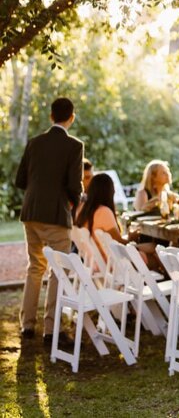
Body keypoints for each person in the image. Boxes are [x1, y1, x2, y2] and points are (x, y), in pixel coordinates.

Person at [15, 97, 84, 343]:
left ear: (51, 116)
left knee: (35, 268)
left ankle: (27, 325)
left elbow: (20, 180)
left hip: (31, 212)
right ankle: (51, 329)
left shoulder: (34, 143)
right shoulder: (74, 146)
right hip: (56, 215)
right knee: (58, 271)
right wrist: (74, 202)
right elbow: (74, 186)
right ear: (71, 117)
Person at [75, 174, 160, 271]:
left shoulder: (82, 210)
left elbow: (112, 239)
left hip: (95, 259)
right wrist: (131, 238)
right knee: (158, 256)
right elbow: (118, 242)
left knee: (154, 247)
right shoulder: (103, 212)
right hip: (113, 261)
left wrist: (130, 240)